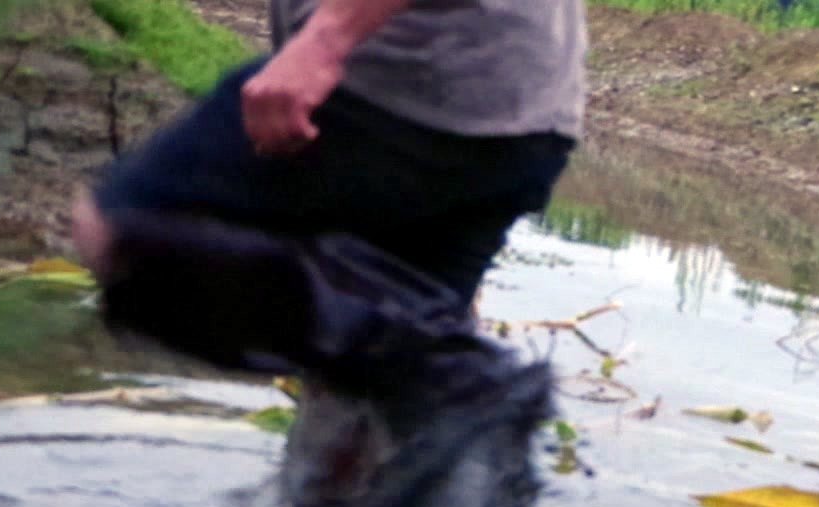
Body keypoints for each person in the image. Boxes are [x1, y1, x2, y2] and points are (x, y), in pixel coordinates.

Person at [70, 0, 589, 361]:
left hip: (400, 83)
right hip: (526, 113)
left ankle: (441, 366)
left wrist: (323, 43)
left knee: (119, 228)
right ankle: (431, 370)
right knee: (373, 430)